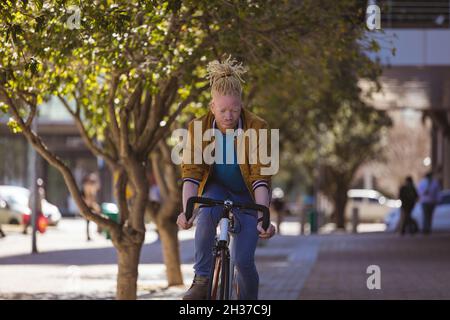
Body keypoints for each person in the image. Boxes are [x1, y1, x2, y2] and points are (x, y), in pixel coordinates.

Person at [177, 55, 276, 300]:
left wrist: (263, 216)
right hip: (216, 189)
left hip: (247, 193)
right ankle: (201, 281)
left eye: (234, 109)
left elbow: (260, 179)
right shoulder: (198, 128)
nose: (229, 115)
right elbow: (191, 175)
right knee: (206, 216)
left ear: (241, 105)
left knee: (243, 261)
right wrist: (187, 212)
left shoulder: (257, 128)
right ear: (212, 107)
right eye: (222, 110)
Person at [81, 173, 101, 241]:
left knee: (97, 215)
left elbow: (97, 188)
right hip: (88, 204)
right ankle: (89, 235)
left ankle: (98, 230)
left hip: (92, 204)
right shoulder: (86, 186)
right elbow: (85, 196)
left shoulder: (92, 186)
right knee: (88, 221)